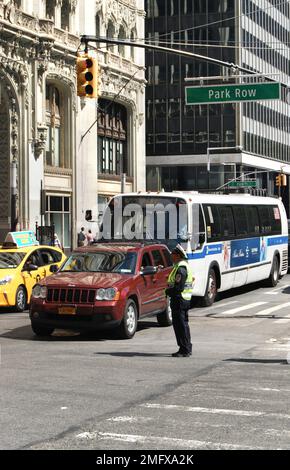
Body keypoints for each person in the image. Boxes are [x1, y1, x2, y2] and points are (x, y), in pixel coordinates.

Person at [165, 244, 194, 358]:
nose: (171, 256)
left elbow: (178, 287)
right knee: (184, 325)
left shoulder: (181, 269)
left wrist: (168, 292)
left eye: (173, 254)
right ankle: (186, 347)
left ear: (177, 255)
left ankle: (184, 349)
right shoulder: (181, 266)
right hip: (183, 300)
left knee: (180, 326)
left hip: (179, 300)